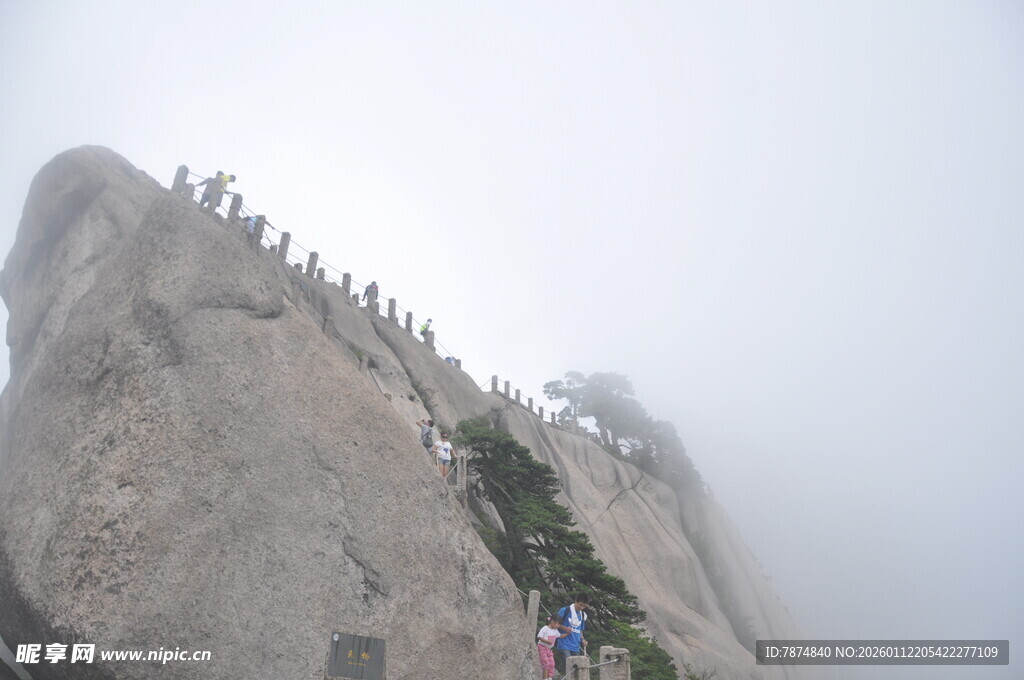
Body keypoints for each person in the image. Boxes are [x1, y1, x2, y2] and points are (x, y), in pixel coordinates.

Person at [555, 593, 589, 672]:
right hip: (564, 644)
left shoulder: (583, 615)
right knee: (569, 668)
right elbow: (554, 623)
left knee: (576, 670)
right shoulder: (565, 610)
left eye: (584, 606)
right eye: (580, 605)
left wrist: (583, 640)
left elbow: (580, 630)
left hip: (576, 646)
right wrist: (565, 628)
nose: (581, 607)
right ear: (575, 601)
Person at [537, 616, 566, 680]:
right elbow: (539, 636)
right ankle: (544, 678)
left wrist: (568, 633)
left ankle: (549, 677)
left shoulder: (555, 630)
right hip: (542, 647)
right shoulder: (545, 628)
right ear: (552, 621)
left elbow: (560, 636)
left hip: (549, 649)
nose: (558, 626)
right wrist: (547, 641)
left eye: (559, 625)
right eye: (557, 624)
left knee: (552, 663)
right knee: (546, 663)